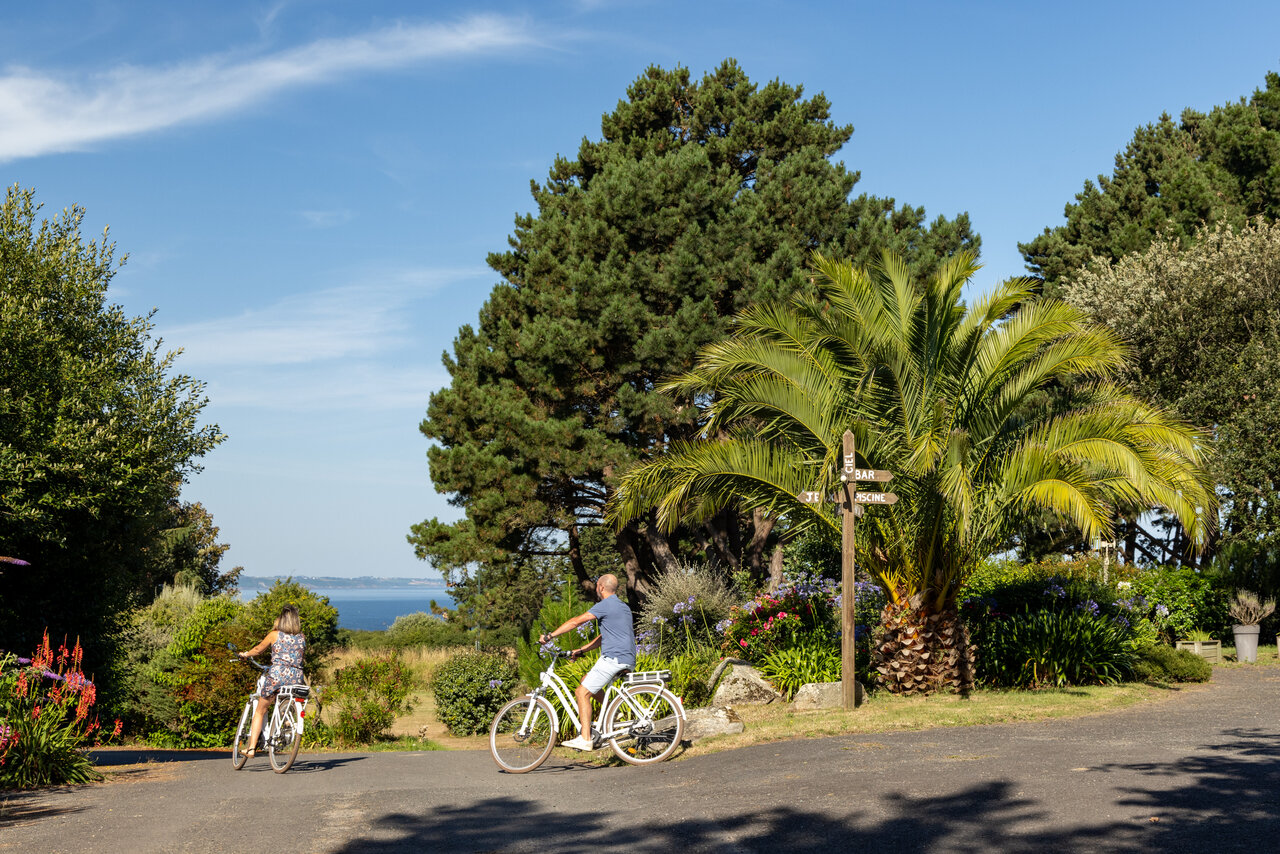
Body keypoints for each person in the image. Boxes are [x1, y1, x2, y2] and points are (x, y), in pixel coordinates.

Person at [539, 573, 636, 751]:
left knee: (581, 693)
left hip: (613, 658)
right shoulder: (623, 607)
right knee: (586, 680)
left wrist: (550, 635)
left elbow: (576, 622)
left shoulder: (605, 605)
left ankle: (585, 738)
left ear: (601, 587)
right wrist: (581, 650)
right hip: (627, 658)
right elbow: (603, 637)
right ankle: (614, 711)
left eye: (597, 586)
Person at [238, 604, 306, 757]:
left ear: (282, 620)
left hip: (277, 675)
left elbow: (258, 650)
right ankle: (287, 721)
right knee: (287, 697)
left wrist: (245, 654)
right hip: (296, 676)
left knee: (260, 711)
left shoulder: (274, 635)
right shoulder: (302, 637)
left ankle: (251, 748)